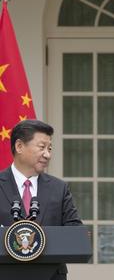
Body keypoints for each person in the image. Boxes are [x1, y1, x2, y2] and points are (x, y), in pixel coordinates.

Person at [0, 119, 82, 280]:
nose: (47, 154)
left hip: (51, 275)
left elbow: (75, 231)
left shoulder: (59, 188)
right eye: (42, 147)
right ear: (19, 146)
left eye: (50, 148)